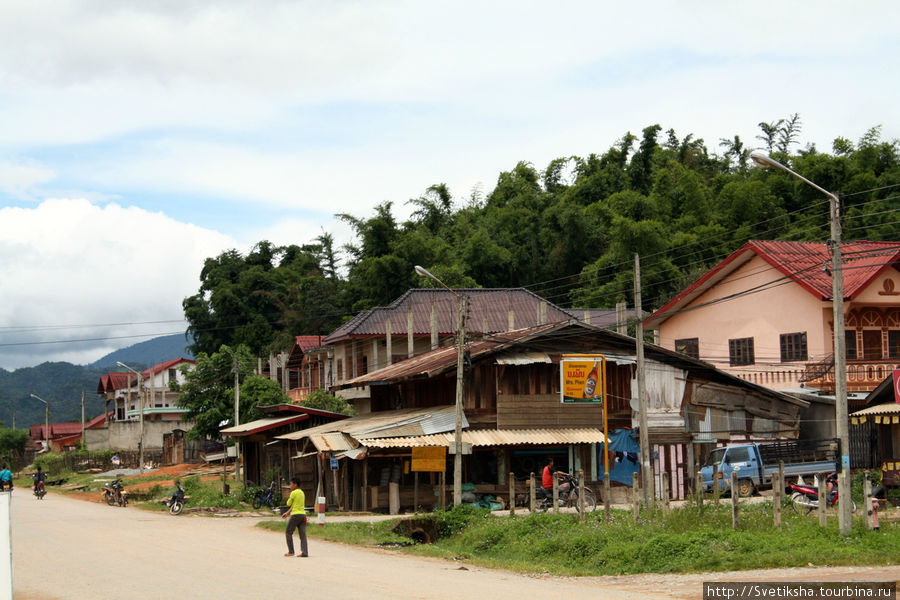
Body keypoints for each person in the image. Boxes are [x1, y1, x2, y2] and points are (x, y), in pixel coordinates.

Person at [281, 477, 308, 557]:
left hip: (295, 516)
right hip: (303, 515)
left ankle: (291, 551)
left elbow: (289, 504)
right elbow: (294, 505)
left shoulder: (293, 493)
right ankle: (304, 552)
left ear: (295, 485)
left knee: (288, 532)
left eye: (291, 484)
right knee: (303, 535)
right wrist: (287, 512)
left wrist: (290, 496)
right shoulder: (302, 493)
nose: (290, 486)